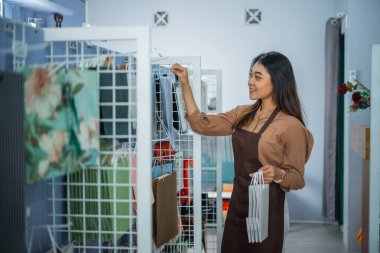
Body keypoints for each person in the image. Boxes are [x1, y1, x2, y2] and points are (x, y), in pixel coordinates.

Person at [171, 51, 314, 253]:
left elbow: (297, 178)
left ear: (278, 81)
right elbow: (201, 124)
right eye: (250, 75)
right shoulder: (243, 114)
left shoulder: (291, 127)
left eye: (257, 77)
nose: (250, 81)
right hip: (238, 204)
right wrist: (185, 83)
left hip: (268, 210)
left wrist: (277, 173)